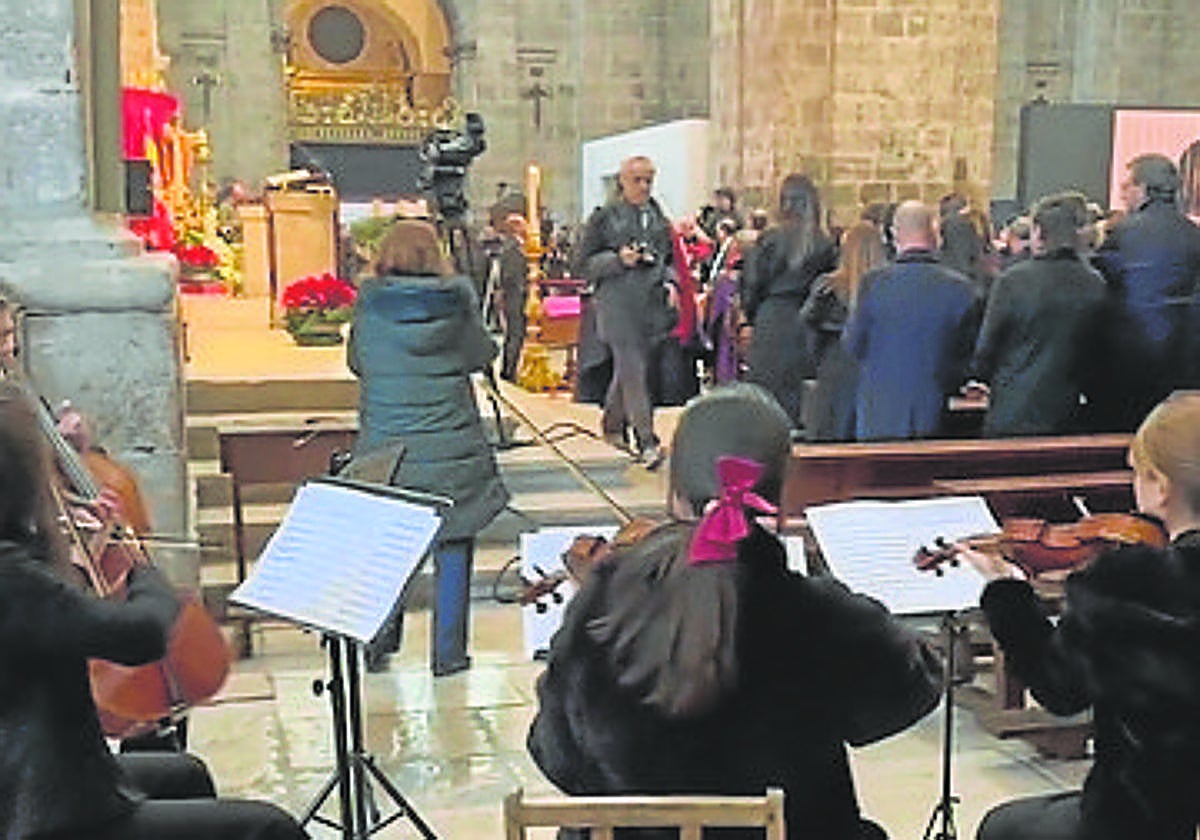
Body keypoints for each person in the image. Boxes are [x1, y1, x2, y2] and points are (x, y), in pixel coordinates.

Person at [527, 383, 944, 840]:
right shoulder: (818, 612)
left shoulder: (604, 601)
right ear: (778, 501)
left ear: (676, 494)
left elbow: (556, 757)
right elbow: (910, 691)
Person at [0, 381, 307, 840]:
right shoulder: (11, 578)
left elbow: (50, 617)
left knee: (186, 774)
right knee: (268, 828)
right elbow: (138, 634)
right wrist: (147, 575)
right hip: (46, 810)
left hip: (42, 773)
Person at [955, 392, 1200, 840]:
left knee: (1003, 827)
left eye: (1136, 473)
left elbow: (1060, 690)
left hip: (1141, 823)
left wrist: (1006, 594)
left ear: (1162, 488)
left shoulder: (1130, 582)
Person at [348, 219, 509, 676]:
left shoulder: (370, 304)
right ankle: (449, 655)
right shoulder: (456, 301)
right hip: (451, 440)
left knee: (390, 545)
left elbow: (357, 362)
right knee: (454, 542)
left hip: (389, 447)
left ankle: (380, 644)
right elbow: (482, 355)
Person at [970, 192, 1108, 437]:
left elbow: (986, 349)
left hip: (1012, 409)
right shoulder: (1094, 283)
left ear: (1039, 233)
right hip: (1067, 411)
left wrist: (980, 377)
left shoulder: (1013, 281)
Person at [844, 200, 981, 441]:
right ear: (935, 234)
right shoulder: (961, 290)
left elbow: (853, 344)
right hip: (936, 413)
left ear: (894, 235)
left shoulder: (873, 284)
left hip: (880, 414)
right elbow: (969, 359)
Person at [574, 156, 677, 468]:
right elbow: (582, 264)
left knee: (631, 367)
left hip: (650, 302)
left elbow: (668, 258)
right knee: (634, 368)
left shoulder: (657, 215)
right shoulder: (605, 217)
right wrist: (617, 260)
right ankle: (646, 440)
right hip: (616, 303)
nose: (644, 187)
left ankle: (612, 423)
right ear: (622, 181)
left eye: (648, 180)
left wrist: (671, 282)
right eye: (637, 181)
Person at [1092, 154, 1200, 430]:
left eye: (1125, 186)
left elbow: (1099, 287)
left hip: (1128, 362)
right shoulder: (1193, 235)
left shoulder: (1123, 233)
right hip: (1184, 363)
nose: (1122, 194)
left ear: (1142, 189)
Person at [742, 173, 837, 427]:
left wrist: (751, 316)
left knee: (766, 393)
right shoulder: (824, 242)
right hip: (806, 318)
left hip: (771, 315)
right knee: (799, 392)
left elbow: (752, 283)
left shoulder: (770, 239)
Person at [800, 220, 886, 441]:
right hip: (875, 373)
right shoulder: (888, 288)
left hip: (834, 369)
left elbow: (809, 329)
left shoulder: (826, 289)